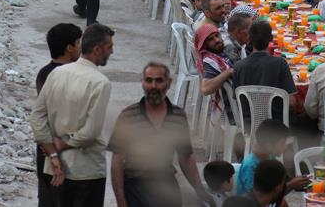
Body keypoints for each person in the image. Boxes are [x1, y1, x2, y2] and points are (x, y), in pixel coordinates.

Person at [30, 24, 115, 207]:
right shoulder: (100, 83)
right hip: (86, 171)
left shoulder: (57, 73)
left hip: (53, 169)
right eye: (109, 47)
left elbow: (37, 117)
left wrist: (53, 153)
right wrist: (61, 144)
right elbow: (90, 133)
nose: (112, 52)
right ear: (97, 49)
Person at [109, 62, 212, 207]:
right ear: (142, 83)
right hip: (135, 188)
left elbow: (185, 157)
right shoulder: (128, 116)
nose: (153, 86)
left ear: (168, 83)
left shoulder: (178, 116)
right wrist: (121, 201)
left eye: (159, 80)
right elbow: (117, 162)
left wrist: (199, 189)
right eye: (149, 80)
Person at [34, 23, 83, 205]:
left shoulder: (44, 73)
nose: (81, 47)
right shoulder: (69, 77)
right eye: (79, 43)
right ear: (69, 48)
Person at [232, 21, 298, 121]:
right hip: (276, 126)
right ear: (271, 39)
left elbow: (237, 100)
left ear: (249, 39)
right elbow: (292, 103)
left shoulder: (238, 67)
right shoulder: (280, 64)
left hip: (249, 125)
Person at [234, 120, 310, 195]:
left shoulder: (269, 157)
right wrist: (290, 185)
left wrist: (295, 183)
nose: (285, 147)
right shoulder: (250, 166)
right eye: (282, 143)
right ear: (269, 145)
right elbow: (259, 198)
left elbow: (275, 192)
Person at [196, 24, 235, 117]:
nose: (217, 40)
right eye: (211, 39)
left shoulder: (220, 53)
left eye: (217, 36)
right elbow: (205, 89)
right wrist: (228, 72)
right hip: (235, 108)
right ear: (205, 45)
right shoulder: (210, 61)